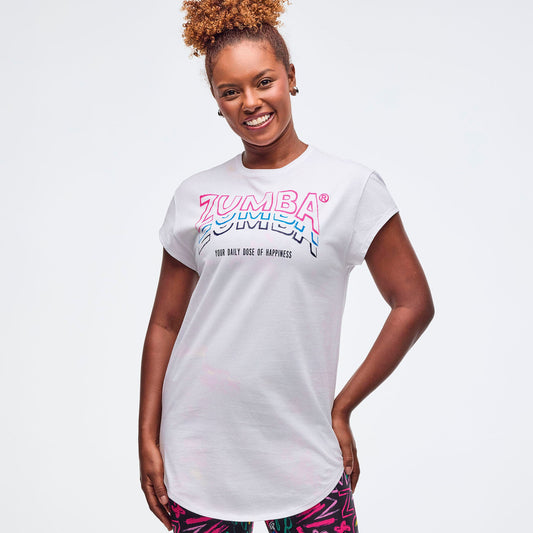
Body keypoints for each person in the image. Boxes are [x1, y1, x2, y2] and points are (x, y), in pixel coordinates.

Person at [138, 1, 435, 532]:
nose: (250, 102)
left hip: (303, 450)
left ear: (291, 77)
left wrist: (341, 408)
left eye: (264, 82)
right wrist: (147, 435)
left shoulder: (351, 187)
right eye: (230, 91)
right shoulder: (194, 194)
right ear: (217, 102)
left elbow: (413, 303)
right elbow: (165, 322)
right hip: (199, 450)